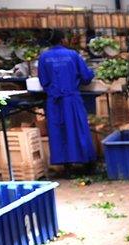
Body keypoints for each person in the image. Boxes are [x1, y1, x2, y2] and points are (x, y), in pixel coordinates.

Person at [37, 30, 96, 169]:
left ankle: (66, 167)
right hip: (72, 99)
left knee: (59, 132)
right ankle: (86, 164)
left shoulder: (44, 58)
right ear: (63, 40)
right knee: (78, 128)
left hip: (54, 101)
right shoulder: (72, 55)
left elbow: (43, 80)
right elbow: (86, 77)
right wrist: (92, 72)